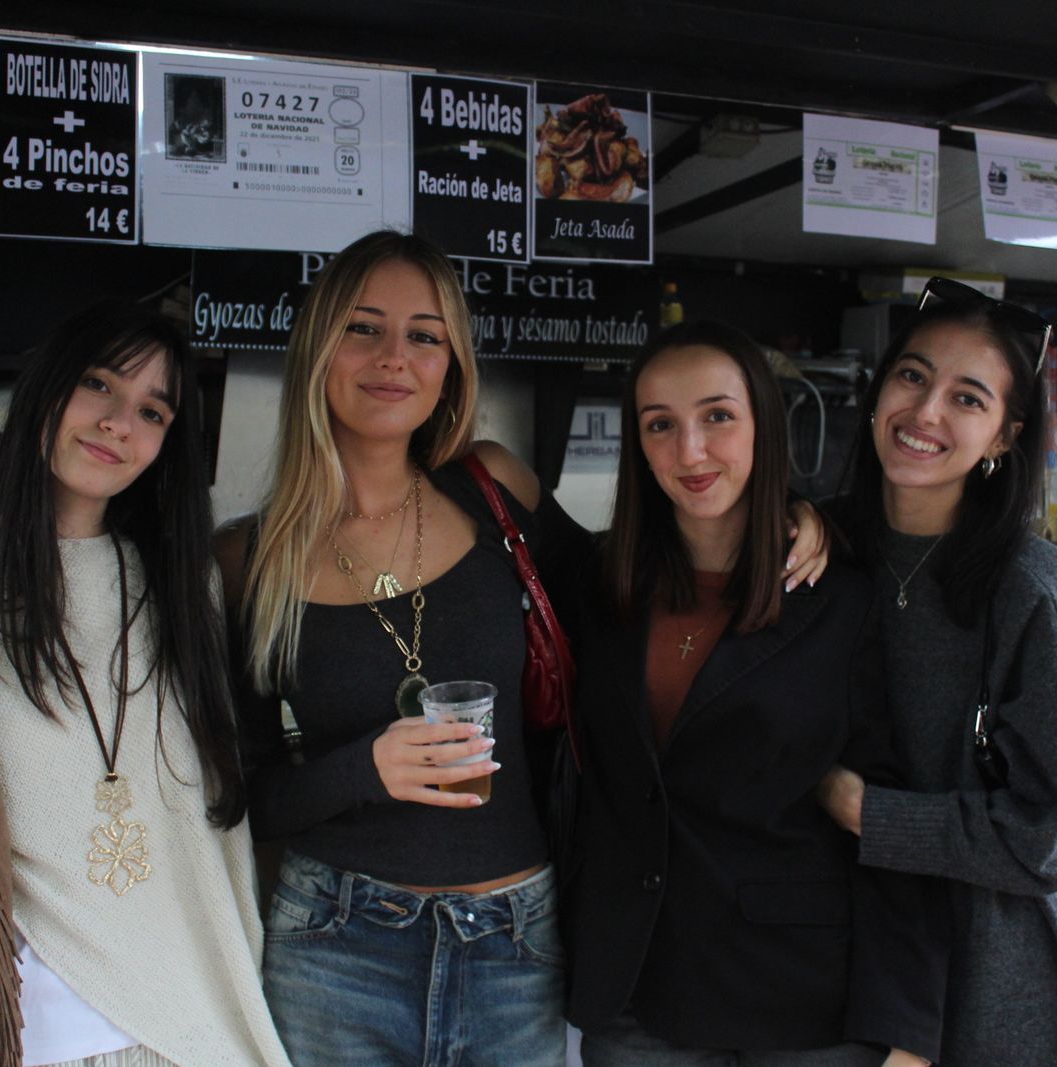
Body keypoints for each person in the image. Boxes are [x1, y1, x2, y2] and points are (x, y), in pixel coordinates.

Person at [215, 230, 833, 1067]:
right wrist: (366, 768)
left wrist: (792, 514)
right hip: (336, 946)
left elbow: (638, 586)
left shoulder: (492, 487)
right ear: (319, 344)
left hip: (513, 938)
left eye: (425, 335)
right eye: (363, 328)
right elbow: (243, 796)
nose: (394, 358)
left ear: (453, 364)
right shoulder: (249, 558)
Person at [0, 302, 291, 1067]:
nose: (119, 421)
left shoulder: (183, 589)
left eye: (152, 409)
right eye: (98, 384)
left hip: (206, 1033)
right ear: (47, 389)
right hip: (39, 1044)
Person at [563, 321, 944, 1067]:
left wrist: (910, 1026)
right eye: (660, 425)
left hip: (805, 1003)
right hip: (640, 993)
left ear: (764, 424)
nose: (691, 451)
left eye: (718, 417)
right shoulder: (598, 585)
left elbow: (893, 805)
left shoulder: (841, 596)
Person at [818, 278, 1057, 1066]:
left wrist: (872, 813)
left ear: (1006, 436)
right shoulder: (823, 546)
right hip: (849, 969)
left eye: (967, 398)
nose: (926, 412)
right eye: (912, 375)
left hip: (1000, 983)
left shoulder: (1027, 584)